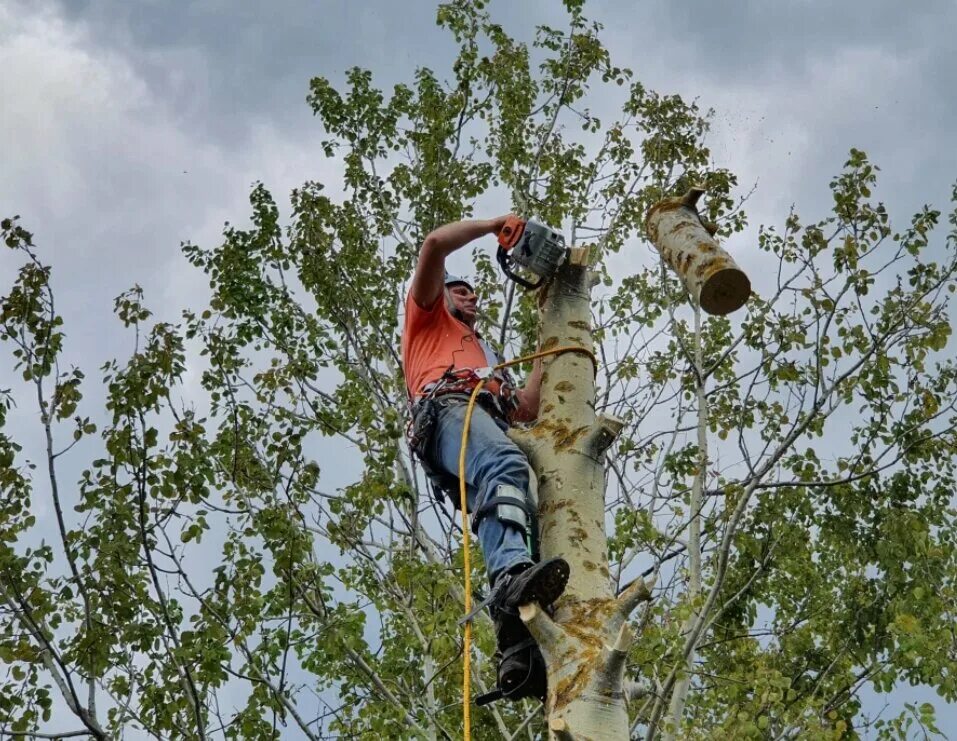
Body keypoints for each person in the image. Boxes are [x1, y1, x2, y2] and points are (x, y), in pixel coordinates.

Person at [402, 215, 569, 702]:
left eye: (475, 292)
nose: (471, 296)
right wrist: (496, 224)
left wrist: (545, 352)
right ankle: (513, 579)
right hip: (449, 410)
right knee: (507, 468)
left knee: (522, 509)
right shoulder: (427, 319)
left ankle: (519, 650)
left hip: (486, 422)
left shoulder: (486, 354)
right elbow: (434, 244)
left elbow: (524, 409)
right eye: (461, 290)